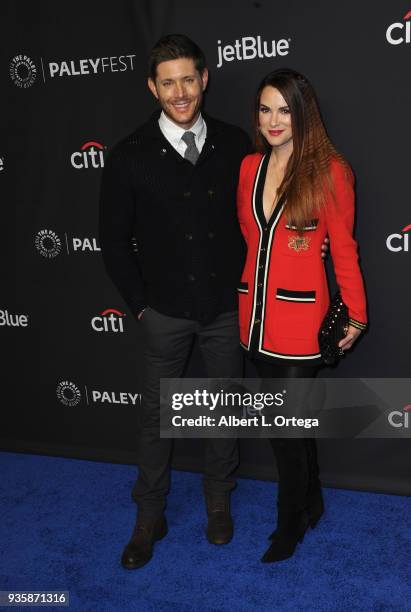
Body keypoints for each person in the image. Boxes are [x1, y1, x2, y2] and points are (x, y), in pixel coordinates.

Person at [99, 35, 329, 570]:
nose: (179, 91)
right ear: (153, 88)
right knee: (158, 419)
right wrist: (141, 308)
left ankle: (217, 502)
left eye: (188, 79)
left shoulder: (236, 147)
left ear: (204, 80)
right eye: (167, 81)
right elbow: (113, 241)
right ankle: (148, 516)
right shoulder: (129, 154)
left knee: (224, 411)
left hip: (229, 312)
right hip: (163, 313)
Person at [237, 68, 367, 563]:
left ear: (303, 113)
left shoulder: (331, 171)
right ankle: (311, 498)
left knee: (285, 431)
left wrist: (354, 314)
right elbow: (252, 244)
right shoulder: (248, 167)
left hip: (301, 326)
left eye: (285, 110)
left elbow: (346, 251)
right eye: (265, 109)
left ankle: (288, 523)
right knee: (290, 426)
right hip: (254, 317)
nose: (274, 120)